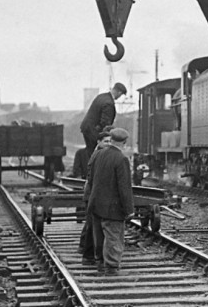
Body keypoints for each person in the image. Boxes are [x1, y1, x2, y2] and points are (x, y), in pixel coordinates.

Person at [86, 127, 135, 275]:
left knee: (99, 236)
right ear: (124, 142)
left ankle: (100, 264)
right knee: (113, 236)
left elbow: (90, 178)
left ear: (111, 139)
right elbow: (124, 187)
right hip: (112, 207)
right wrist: (129, 210)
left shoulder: (98, 154)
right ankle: (111, 268)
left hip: (95, 203)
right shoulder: (121, 159)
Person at [80, 130, 113, 264]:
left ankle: (89, 253)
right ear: (99, 142)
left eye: (110, 141)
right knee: (92, 226)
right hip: (93, 195)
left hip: (94, 194)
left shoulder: (99, 153)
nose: (108, 144)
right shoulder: (98, 155)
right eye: (106, 141)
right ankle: (88, 255)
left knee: (92, 225)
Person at [80, 82, 128, 154]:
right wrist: (110, 135)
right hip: (93, 131)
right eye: (121, 95)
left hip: (88, 129)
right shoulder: (109, 103)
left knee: (91, 152)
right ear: (119, 92)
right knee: (97, 153)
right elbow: (105, 123)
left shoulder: (101, 96)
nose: (119, 97)